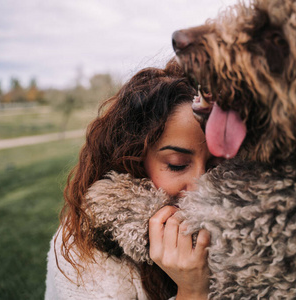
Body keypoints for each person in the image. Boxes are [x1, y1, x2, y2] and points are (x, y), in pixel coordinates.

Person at [45, 60, 213, 300]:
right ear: (134, 160)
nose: (201, 187)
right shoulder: (84, 249)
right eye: (177, 164)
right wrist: (194, 292)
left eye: (217, 166)